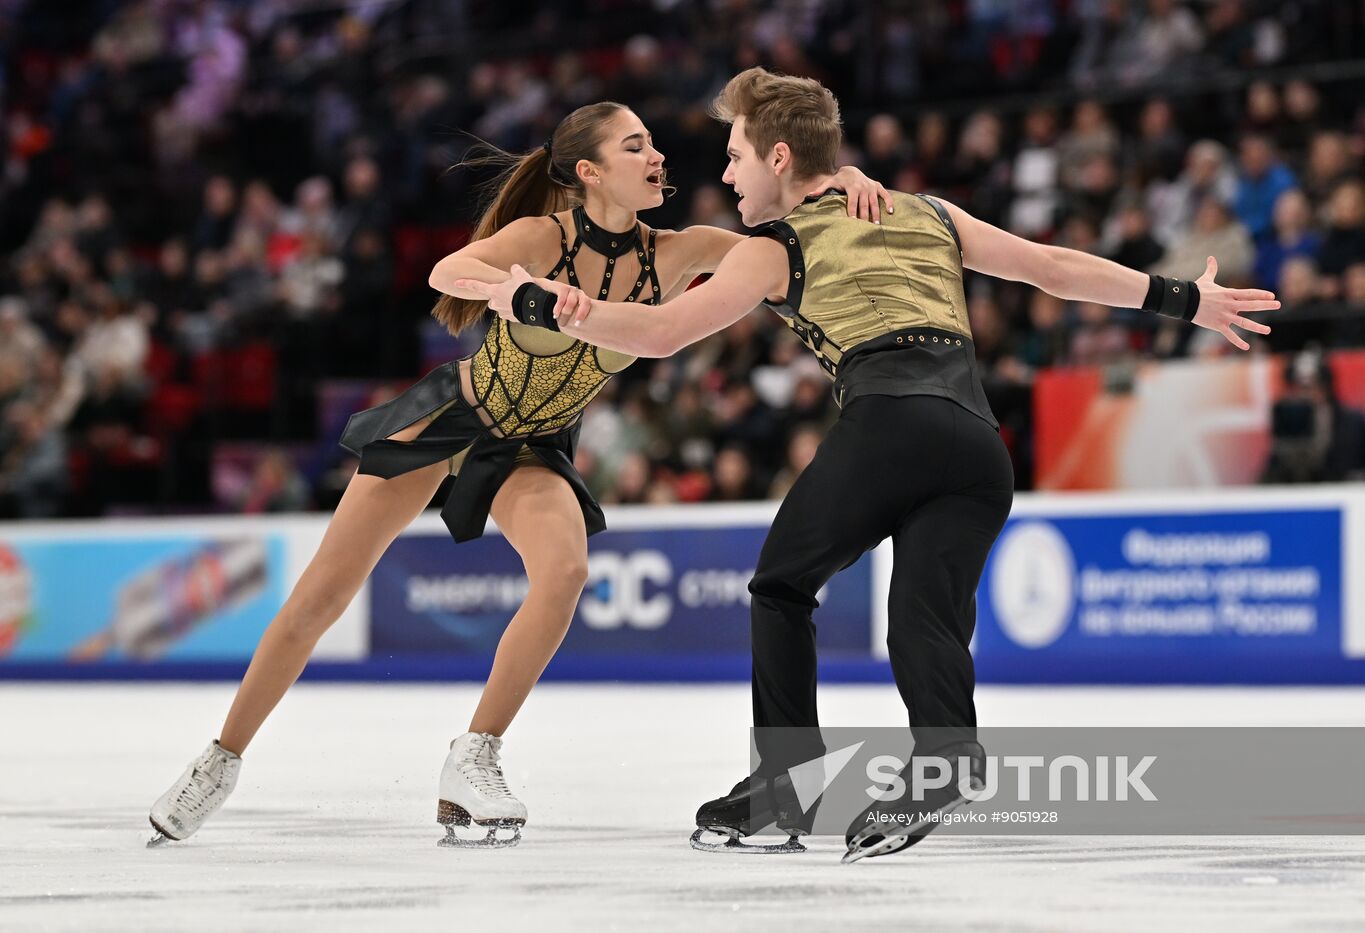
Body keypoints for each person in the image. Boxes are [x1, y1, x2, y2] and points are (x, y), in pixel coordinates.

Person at [459, 68, 1278, 862]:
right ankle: (947, 753)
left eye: (737, 154)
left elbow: (664, 334)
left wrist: (576, 309)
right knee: (922, 616)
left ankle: (785, 785)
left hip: (888, 421)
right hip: (976, 444)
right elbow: (1053, 267)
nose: (725, 171)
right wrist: (1183, 299)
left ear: (779, 158)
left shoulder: (771, 247)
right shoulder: (927, 211)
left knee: (780, 586)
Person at [146, 100, 890, 849]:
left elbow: (788, 238)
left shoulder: (681, 250)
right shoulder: (544, 236)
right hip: (449, 421)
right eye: (636, 146)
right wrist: (516, 290)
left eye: (653, 143)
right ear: (591, 172)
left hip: (533, 447)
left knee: (564, 571)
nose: (658, 155)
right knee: (322, 594)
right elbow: (450, 269)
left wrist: (846, 174)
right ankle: (221, 757)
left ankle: (474, 757)